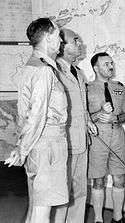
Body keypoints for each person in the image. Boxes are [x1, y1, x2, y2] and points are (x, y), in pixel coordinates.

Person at [4, 18, 68, 223]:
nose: (61, 42)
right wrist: (21, 148)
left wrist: (23, 146)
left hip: (39, 143)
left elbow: (27, 112)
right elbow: (37, 113)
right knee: (42, 209)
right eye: (58, 36)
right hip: (48, 142)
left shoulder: (32, 66)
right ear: (48, 37)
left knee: (39, 204)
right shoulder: (43, 70)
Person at [51, 28, 98, 223]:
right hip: (64, 143)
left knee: (80, 192)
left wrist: (88, 121)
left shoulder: (78, 72)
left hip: (81, 142)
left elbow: (80, 105)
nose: (80, 43)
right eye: (75, 40)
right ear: (61, 46)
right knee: (61, 195)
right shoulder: (53, 71)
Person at [87, 52, 125, 223]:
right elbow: (82, 118)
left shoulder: (119, 87)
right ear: (95, 67)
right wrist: (99, 114)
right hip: (97, 138)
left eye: (112, 63)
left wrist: (115, 118)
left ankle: (118, 217)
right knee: (98, 180)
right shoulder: (86, 88)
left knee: (120, 177)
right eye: (106, 64)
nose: (111, 66)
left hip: (117, 137)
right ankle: (98, 219)